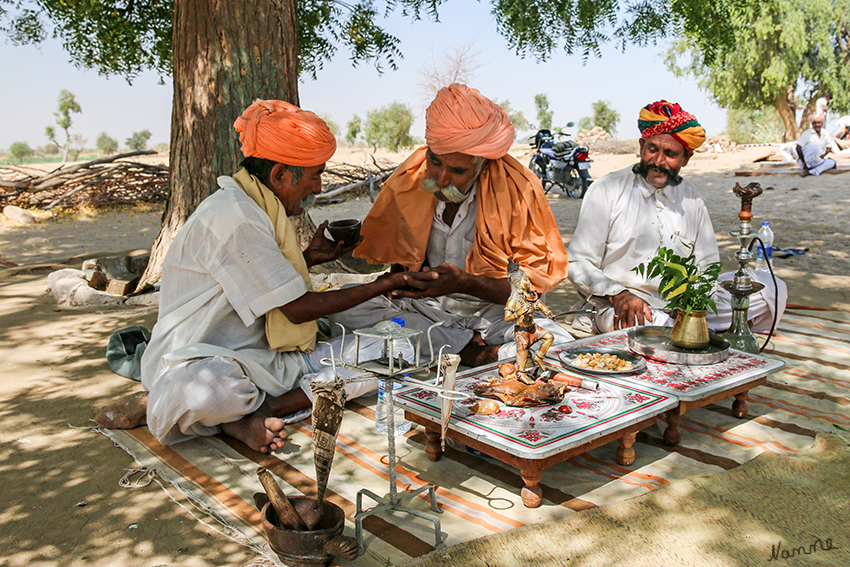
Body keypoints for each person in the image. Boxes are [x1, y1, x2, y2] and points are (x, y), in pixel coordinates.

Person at [111, 100, 433, 453]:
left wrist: (308, 259)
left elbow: (260, 280)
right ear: (280, 175)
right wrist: (385, 284)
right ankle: (255, 410)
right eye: (314, 176)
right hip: (213, 362)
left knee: (397, 345)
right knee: (206, 388)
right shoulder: (238, 219)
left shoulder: (251, 206)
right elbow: (296, 309)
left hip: (264, 358)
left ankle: (248, 415)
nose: (320, 188)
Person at [332, 83, 572, 366]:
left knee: (559, 345)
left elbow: (531, 291)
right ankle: (472, 352)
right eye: (435, 163)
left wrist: (465, 283)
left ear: (482, 165)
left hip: (496, 313)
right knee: (342, 312)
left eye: (457, 170)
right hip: (426, 310)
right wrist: (399, 285)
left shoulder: (517, 190)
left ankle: (452, 348)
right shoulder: (409, 182)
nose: (441, 179)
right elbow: (401, 262)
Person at [568, 100, 787, 335]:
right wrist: (618, 294)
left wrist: (693, 302)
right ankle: (690, 331)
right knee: (642, 325)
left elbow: (708, 264)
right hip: (624, 306)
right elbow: (577, 263)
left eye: (670, 154)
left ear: (686, 159)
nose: (658, 161)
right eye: (652, 149)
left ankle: (687, 327)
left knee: (771, 288)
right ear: (641, 146)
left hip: (684, 305)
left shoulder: (690, 195)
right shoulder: (607, 190)